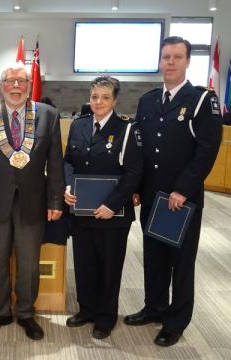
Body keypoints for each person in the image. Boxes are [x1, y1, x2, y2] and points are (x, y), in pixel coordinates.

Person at [124, 36, 222, 347]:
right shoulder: (148, 100)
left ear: (188, 61)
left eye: (177, 57)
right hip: (153, 196)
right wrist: (137, 188)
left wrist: (182, 189)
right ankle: (154, 307)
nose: (170, 62)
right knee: (153, 256)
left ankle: (176, 320)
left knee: (180, 262)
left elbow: (207, 150)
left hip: (180, 200)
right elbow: (140, 148)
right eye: (166, 57)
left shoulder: (202, 101)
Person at [0, 62, 64, 340]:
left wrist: (56, 201)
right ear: (1, 85)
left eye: (21, 81)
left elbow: (55, 162)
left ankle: (26, 313)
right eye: (10, 81)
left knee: (29, 263)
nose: (16, 86)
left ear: (29, 85)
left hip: (33, 202)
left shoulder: (48, 115)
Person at [63, 76, 143, 339]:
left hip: (113, 215)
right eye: (95, 96)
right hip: (82, 211)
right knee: (84, 263)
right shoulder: (79, 125)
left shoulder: (128, 129)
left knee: (109, 266)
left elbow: (133, 173)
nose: (98, 102)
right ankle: (86, 309)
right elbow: (68, 162)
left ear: (115, 100)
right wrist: (67, 187)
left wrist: (112, 204)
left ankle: (105, 317)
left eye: (105, 97)